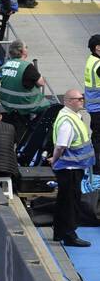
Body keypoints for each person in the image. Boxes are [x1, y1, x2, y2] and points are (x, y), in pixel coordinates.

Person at [51, 88, 93, 247]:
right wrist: (54, 160)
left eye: (82, 98)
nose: (81, 101)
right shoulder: (67, 121)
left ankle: (59, 232)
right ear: (68, 101)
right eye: (78, 99)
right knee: (70, 202)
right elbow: (61, 146)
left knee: (64, 200)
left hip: (73, 167)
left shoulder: (74, 116)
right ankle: (69, 234)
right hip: (69, 169)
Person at [0, 40, 47, 129]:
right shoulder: (27, 66)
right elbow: (41, 83)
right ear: (22, 51)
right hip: (25, 105)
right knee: (49, 105)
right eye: (26, 47)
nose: (27, 49)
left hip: (7, 103)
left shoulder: (4, 65)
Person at [84, 34, 100, 165]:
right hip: (98, 108)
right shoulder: (98, 65)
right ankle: (97, 167)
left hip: (93, 107)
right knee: (98, 139)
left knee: (97, 137)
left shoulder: (92, 60)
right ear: (98, 48)